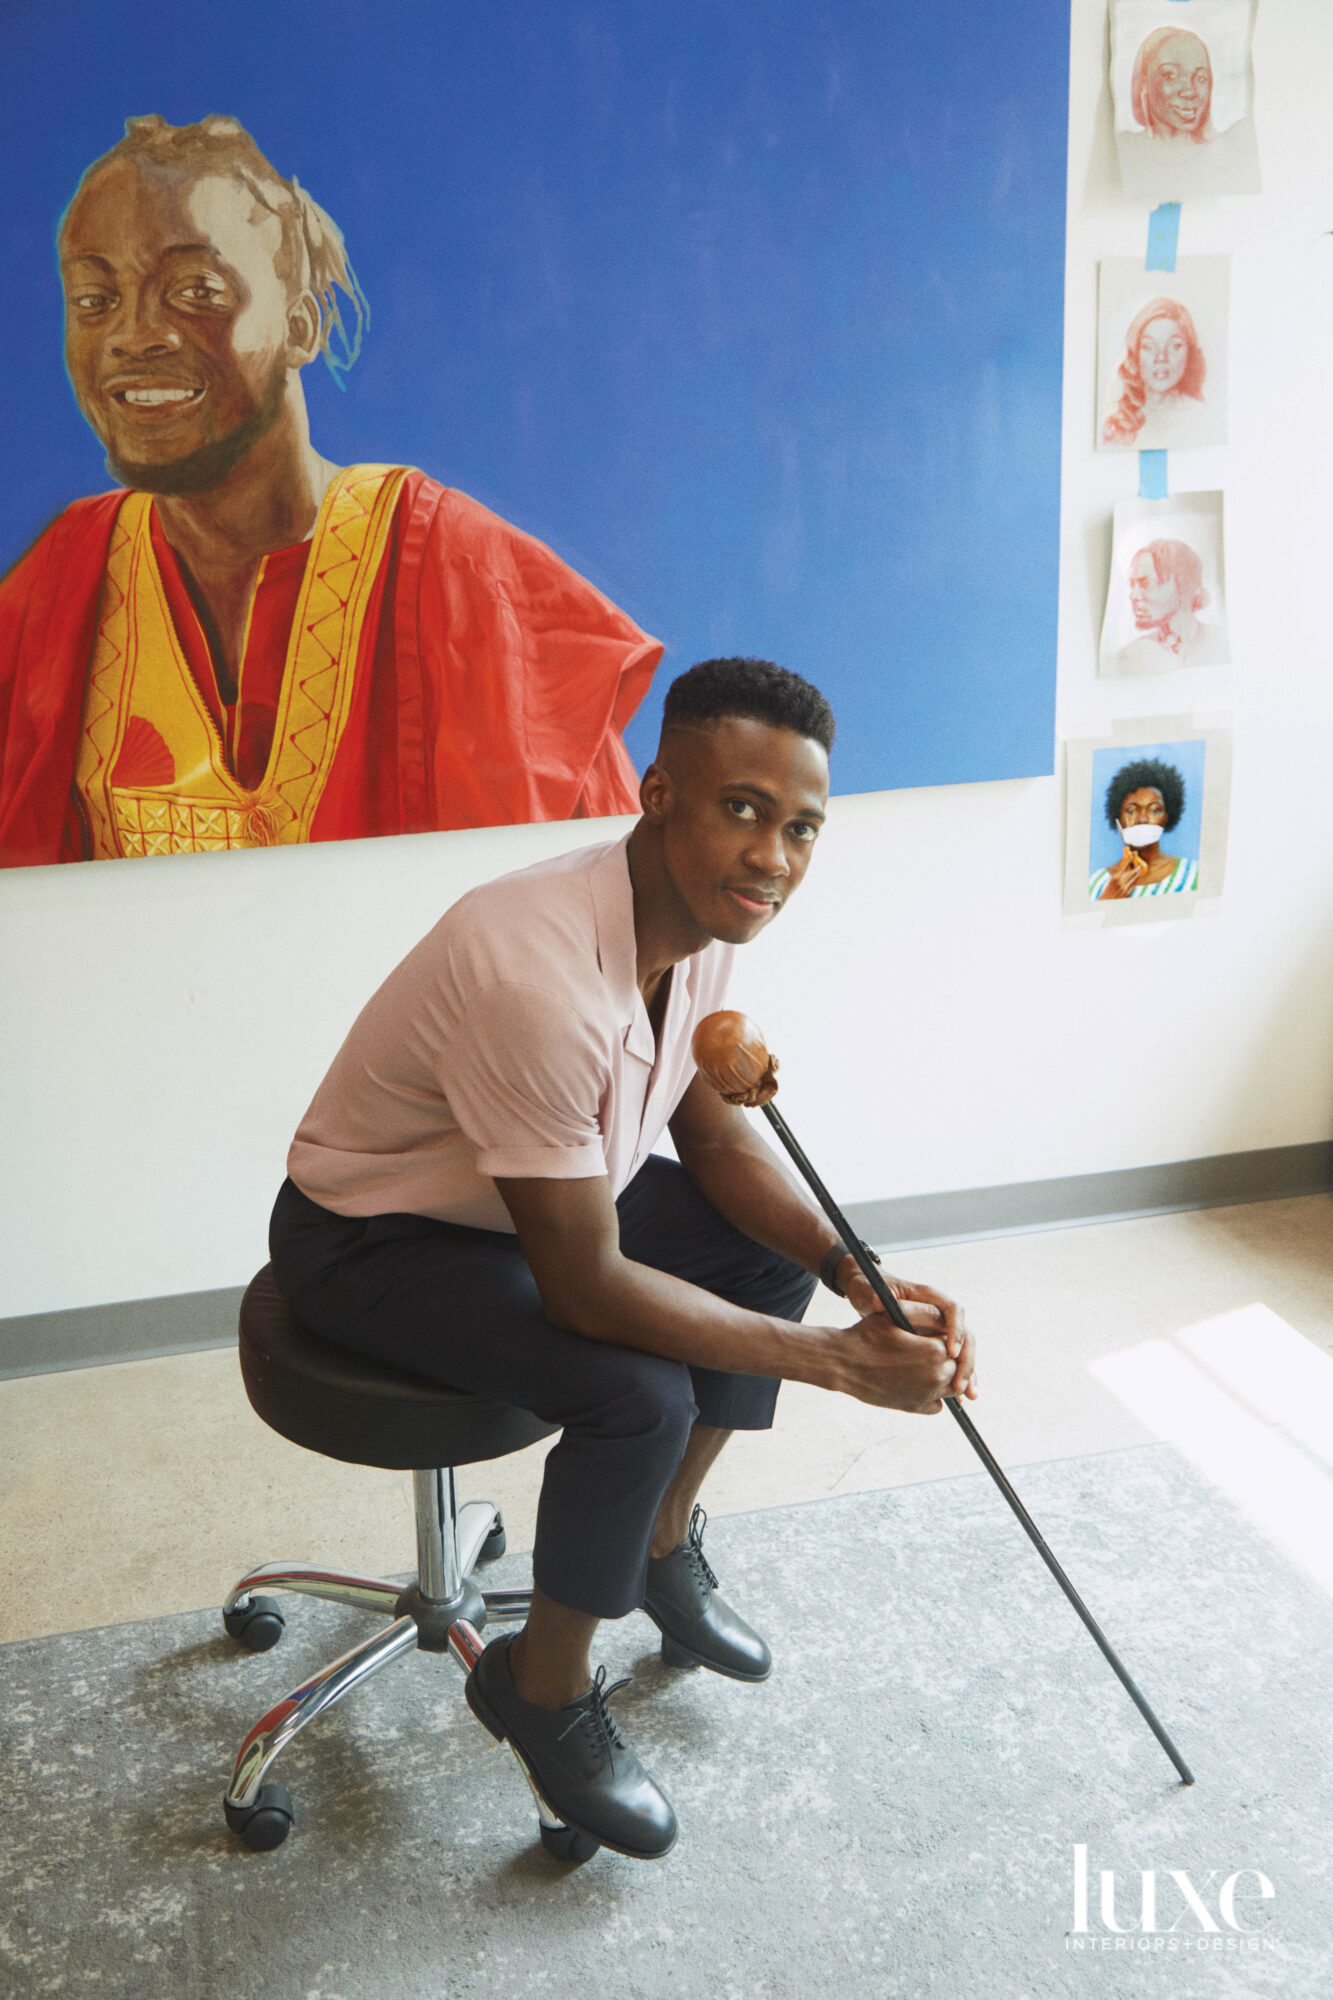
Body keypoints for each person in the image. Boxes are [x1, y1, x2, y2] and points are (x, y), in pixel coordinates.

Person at [269, 656, 978, 1860]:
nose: (772, 857)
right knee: (633, 1391)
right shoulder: (534, 970)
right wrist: (840, 1364)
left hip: (537, 1189)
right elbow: (585, 1286)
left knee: (756, 1255)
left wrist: (847, 1266)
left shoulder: (701, 924)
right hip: (377, 1232)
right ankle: (536, 1689)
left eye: (801, 826)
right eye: (741, 808)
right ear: (657, 792)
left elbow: (707, 1136)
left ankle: (655, 1544)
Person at [0, 115, 658, 871]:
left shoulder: (455, 570)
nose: (131, 334)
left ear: (300, 327)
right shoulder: (63, 581)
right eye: (93, 300)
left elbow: (598, 897)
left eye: (195, 291)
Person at [1102, 297, 1207, 449]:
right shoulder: (1116, 427)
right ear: (1135, 354)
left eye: (1175, 346)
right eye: (1149, 347)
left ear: (1189, 352)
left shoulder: (1204, 417)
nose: (1161, 357)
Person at [1089, 756, 1198, 900]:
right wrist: (1109, 897)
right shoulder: (1096, 882)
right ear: (1118, 819)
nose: (1143, 819)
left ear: (1167, 817)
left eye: (1154, 810)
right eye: (1131, 810)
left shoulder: (1193, 874)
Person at [1118, 538, 1225, 670]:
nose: (1133, 596)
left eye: (1145, 583)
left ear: (1181, 583)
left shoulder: (1219, 640)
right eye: (1132, 584)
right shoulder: (1134, 653)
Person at [1130, 27, 1214, 145]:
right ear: (1144, 82)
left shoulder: (1227, 146)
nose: (1190, 92)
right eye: (1170, 75)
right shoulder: (1124, 145)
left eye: (1200, 78)